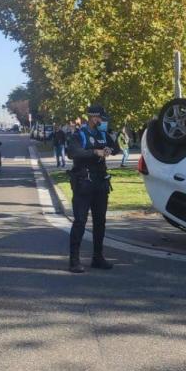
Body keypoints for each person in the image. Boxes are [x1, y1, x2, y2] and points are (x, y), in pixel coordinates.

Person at [65, 105, 117, 273]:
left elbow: (116, 147)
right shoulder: (79, 134)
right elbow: (73, 153)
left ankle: (98, 257)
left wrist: (110, 149)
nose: (103, 121)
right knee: (80, 221)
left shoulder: (103, 134)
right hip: (84, 182)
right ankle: (74, 261)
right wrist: (95, 152)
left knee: (100, 221)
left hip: (100, 182)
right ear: (93, 117)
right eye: (100, 118)